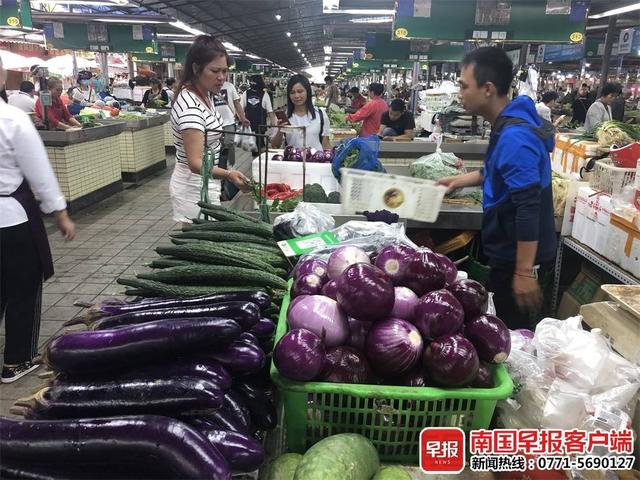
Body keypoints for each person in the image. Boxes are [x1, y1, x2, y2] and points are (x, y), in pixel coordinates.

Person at [436, 47, 556, 330]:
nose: (460, 94)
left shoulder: (515, 136)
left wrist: (525, 272)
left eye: (464, 86)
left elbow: (528, 206)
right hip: (509, 253)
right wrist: (458, 181)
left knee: (512, 338)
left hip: (521, 259)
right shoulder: (507, 126)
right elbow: (498, 170)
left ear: (487, 88)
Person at [0, 56, 76, 383]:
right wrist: (60, 213)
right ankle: (16, 361)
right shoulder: (11, 119)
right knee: (23, 288)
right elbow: (40, 172)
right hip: (11, 221)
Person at [169, 35, 250, 223]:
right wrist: (229, 175)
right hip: (193, 188)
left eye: (225, 71)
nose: (221, 78)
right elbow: (195, 163)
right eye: (215, 71)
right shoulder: (190, 106)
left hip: (206, 182)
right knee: (198, 244)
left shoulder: (205, 96)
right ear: (196, 68)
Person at [271, 74, 331, 151]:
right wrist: (280, 130)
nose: (296, 96)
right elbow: (275, 146)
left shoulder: (320, 115)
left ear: (307, 92)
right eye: (292, 92)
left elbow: (325, 144)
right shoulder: (284, 117)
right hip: (292, 161)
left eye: (300, 91)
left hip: (315, 161)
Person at [214, 78, 250, 197]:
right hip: (213, 123)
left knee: (228, 146)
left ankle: (231, 168)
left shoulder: (229, 86)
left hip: (229, 122)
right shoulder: (208, 86)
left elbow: (236, 103)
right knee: (216, 150)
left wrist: (242, 117)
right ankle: (219, 173)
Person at [240, 74, 276, 151]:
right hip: (260, 123)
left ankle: (256, 155)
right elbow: (269, 110)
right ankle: (259, 154)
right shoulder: (264, 94)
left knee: (255, 142)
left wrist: (241, 119)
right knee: (259, 141)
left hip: (250, 122)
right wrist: (273, 122)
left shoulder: (246, 93)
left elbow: (240, 108)